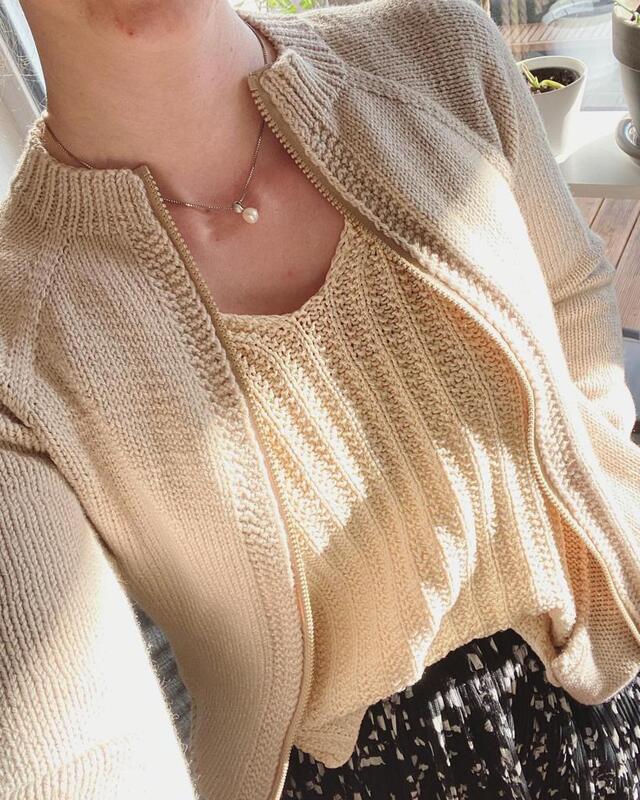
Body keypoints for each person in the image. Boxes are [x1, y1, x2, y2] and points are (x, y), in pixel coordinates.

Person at [1, 0, 640, 798]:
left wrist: (606, 496)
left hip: (602, 668)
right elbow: (71, 739)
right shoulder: (16, 341)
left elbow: (572, 289)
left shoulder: (441, 52)